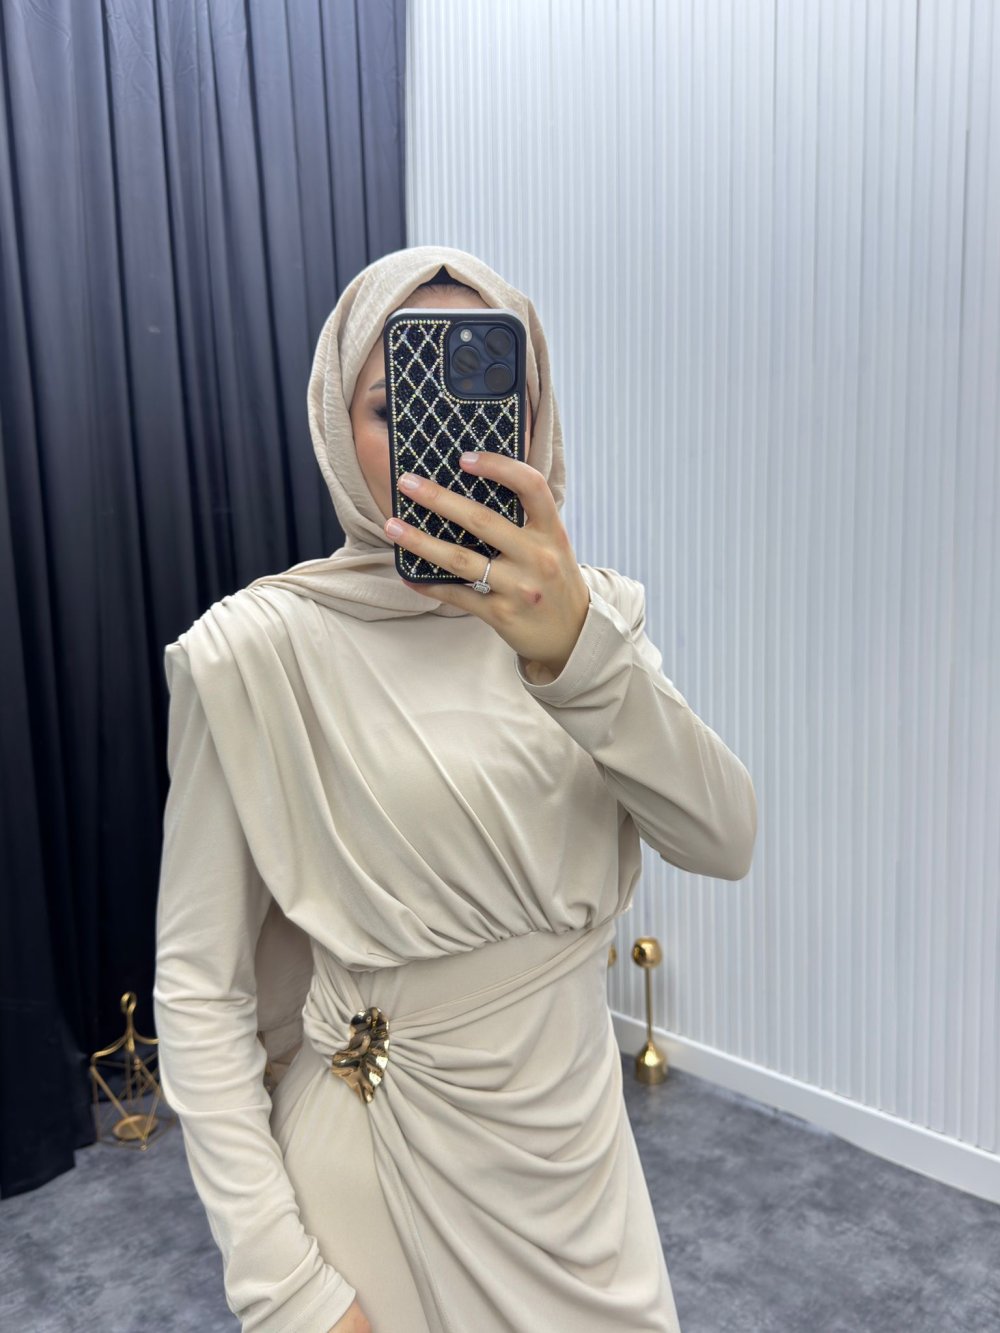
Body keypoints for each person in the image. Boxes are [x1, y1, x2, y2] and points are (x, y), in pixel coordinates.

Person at [152, 245, 758, 1333]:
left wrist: (579, 655)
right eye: (394, 408)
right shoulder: (251, 654)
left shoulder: (595, 618)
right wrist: (285, 1289)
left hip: (578, 1154)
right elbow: (200, 989)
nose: (443, 442)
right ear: (336, 429)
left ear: (533, 418)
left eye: (486, 397)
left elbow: (725, 838)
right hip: (380, 1163)